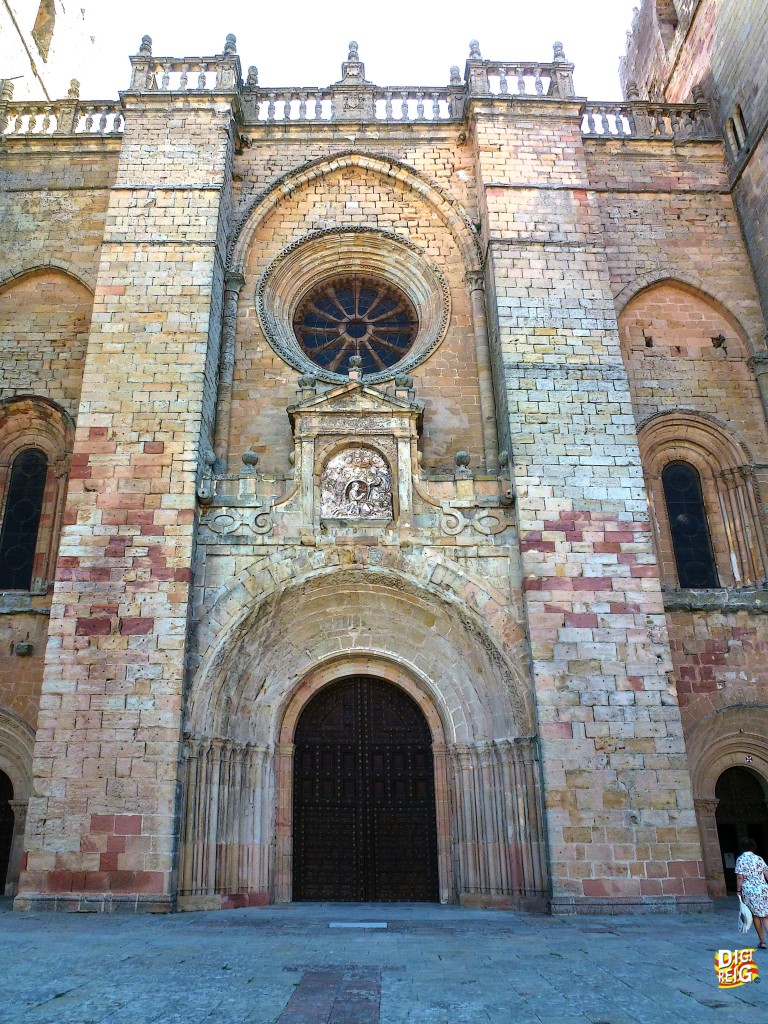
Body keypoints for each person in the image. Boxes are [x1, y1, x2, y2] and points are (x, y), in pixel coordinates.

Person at [735, 838, 768, 949]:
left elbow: (740, 876)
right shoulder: (759, 858)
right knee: (765, 915)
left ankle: (762, 941)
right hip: (763, 890)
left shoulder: (741, 859)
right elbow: (766, 873)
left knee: (755, 916)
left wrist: (738, 890)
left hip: (749, 891)